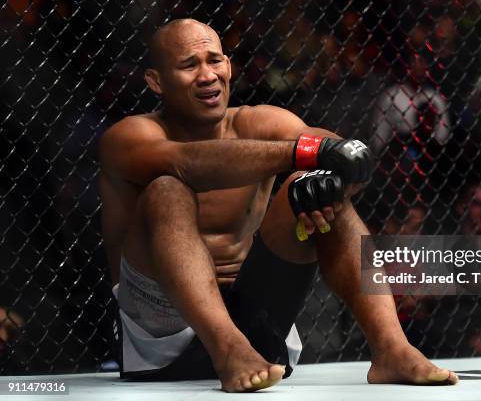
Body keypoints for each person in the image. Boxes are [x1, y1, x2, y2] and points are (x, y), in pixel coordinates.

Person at [98, 19, 458, 392]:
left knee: (316, 187)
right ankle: (227, 348)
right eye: (190, 66)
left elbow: (348, 155)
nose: (208, 75)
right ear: (156, 81)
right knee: (166, 189)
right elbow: (189, 163)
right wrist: (305, 153)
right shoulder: (129, 136)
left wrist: (334, 180)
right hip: (161, 334)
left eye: (214, 61)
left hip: (258, 321)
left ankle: (392, 349)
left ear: (229, 65)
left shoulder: (259, 122)